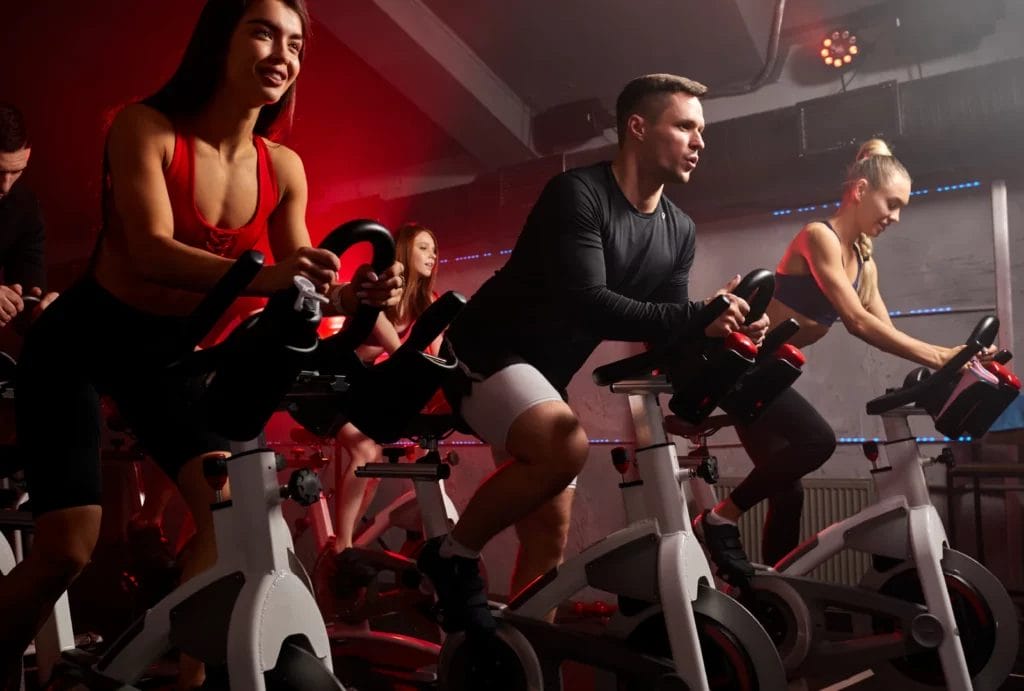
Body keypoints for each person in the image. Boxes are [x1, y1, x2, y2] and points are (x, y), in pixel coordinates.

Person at [0, 1, 403, 686]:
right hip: (82, 341)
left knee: (228, 531)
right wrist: (270, 276)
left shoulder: (284, 168)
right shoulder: (145, 128)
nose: (283, 53)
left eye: (297, 43)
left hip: (171, 359)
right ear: (219, 43)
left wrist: (351, 296)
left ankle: (188, 678)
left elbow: (302, 277)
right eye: (264, 32)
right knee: (66, 549)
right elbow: (153, 249)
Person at [416, 73, 771, 635]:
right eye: (684, 126)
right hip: (485, 348)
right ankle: (452, 554)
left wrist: (720, 330)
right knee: (564, 446)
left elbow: (665, 328)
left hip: (541, 376)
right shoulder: (578, 194)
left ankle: (525, 657)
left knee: (550, 531)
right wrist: (698, 315)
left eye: (701, 130)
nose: (700, 141)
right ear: (637, 126)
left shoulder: (678, 229)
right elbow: (592, 305)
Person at [696, 138, 982, 568]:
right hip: (735, 366)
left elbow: (885, 329)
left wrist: (960, 357)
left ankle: (777, 587)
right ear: (861, 190)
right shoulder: (819, 237)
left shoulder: (865, 264)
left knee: (788, 490)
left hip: (766, 371)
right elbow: (858, 322)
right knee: (817, 441)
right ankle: (718, 520)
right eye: (891, 203)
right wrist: (940, 356)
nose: (896, 217)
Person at [332, 222, 441, 553]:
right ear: (404, 252)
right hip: (332, 384)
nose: (432, 256)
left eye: (435, 250)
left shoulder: (428, 303)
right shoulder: (377, 295)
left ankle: (350, 545)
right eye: (423, 248)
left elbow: (437, 356)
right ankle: (341, 546)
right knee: (367, 453)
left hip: (363, 386)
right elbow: (401, 355)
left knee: (384, 464)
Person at [0, 103, 58, 331]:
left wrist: (41, 311)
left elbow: (28, 293)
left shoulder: (24, 207)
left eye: (17, 171)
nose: (5, 186)